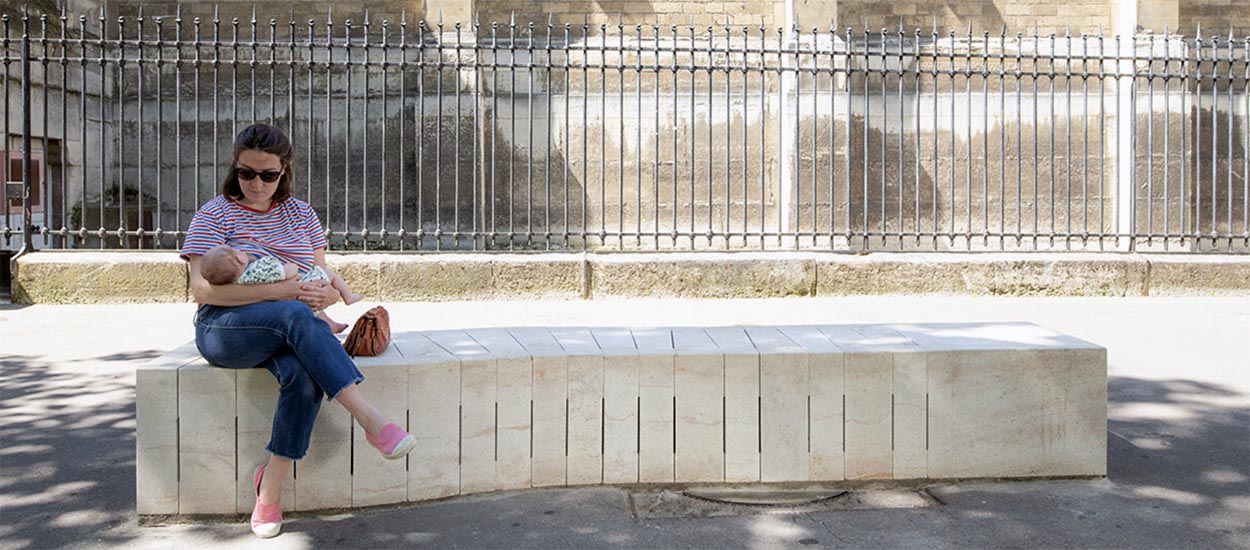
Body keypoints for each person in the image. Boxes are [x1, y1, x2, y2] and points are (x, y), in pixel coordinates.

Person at [179, 123, 415, 539]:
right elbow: (202, 290)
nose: (256, 184)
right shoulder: (214, 214)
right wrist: (287, 292)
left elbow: (319, 274)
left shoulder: (301, 214)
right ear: (234, 169)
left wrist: (322, 294)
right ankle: (370, 419)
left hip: (296, 327)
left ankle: (268, 491)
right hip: (227, 329)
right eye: (246, 173)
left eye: (267, 175)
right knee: (291, 314)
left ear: (284, 171)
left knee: (305, 378)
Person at [199, 243, 364, 333]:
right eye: (235, 250)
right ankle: (348, 297)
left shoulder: (238, 281)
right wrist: (290, 266)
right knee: (329, 274)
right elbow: (287, 272)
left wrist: (330, 295)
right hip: (300, 293)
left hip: (282, 305)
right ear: (241, 258)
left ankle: (327, 323)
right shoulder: (260, 267)